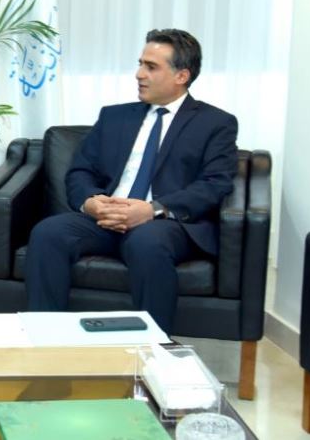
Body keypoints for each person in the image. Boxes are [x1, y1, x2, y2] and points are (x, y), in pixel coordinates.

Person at [24, 29, 238, 333]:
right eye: (140, 64)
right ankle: (46, 338)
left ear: (181, 76)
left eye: (151, 67)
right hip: (105, 217)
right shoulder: (115, 117)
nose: (139, 74)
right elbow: (81, 171)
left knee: (147, 242)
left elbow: (214, 184)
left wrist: (152, 209)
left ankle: (153, 347)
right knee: (49, 232)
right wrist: (91, 202)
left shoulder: (215, 123)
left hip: (164, 223)